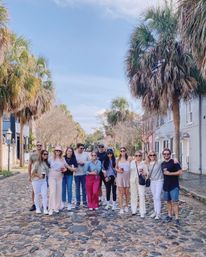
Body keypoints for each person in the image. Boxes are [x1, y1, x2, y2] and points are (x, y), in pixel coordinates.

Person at [161, 148, 182, 226]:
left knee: (175, 202)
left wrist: (170, 173)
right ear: (163, 155)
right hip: (166, 186)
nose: (166, 155)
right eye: (165, 154)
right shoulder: (162, 163)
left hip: (174, 186)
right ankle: (169, 216)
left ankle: (177, 218)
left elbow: (180, 172)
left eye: (168, 154)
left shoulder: (174, 162)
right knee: (168, 202)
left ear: (170, 154)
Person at [48, 146, 68, 215]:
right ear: (54, 151)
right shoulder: (50, 158)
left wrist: (65, 169)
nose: (58, 152)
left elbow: (66, 167)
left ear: (61, 152)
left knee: (58, 192)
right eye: (56, 150)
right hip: (52, 176)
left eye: (59, 151)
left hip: (60, 176)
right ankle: (50, 208)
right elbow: (46, 165)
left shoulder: (62, 159)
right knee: (52, 192)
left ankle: (56, 207)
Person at [130, 151, 148, 218]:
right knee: (133, 195)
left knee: (141, 195)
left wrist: (144, 173)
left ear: (141, 156)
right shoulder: (132, 163)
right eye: (136, 155)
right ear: (134, 156)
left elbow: (147, 173)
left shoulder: (143, 163)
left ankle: (142, 211)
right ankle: (134, 210)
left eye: (139, 155)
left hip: (141, 180)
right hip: (132, 181)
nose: (138, 157)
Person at [31, 150, 50, 214]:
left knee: (44, 195)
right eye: (44, 154)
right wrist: (39, 175)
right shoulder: (37, 163)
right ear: (41, 155)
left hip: (44, 181)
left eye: (47, 154)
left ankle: (45, 209)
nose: (46, 155)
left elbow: (48, 172)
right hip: (36, 181)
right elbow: (32, 173)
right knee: (37, 194)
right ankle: (38, 208)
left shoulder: (46, 163)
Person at [146, 151, 163, 220]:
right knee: (154, 197)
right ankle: (155, 212)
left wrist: (175, 159)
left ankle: (158, 214)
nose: (152, 156)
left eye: (153, 155)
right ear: (149, 156)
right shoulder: (148, 163)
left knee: (157, 196)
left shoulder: (159, 162)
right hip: (152, 181)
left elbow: (167, 159)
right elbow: (147, 173)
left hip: (159, 181)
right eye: (150, 155)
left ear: (155, 156)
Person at [62, 147, 78, 211]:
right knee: (63, 189)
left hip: (69, 176)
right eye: (68, 151)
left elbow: (76, 169)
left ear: (72, 152)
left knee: (69, 189)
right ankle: (63, 202)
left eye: (71, 151)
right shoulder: (63, 158)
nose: (69, 152)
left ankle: (69, 203)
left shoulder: (73, 159)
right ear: (66, 151)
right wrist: (65, 168)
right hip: (62, 175)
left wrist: (70, 168)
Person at [28, 141, 43, 211]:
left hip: (43, 175)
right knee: (34, 190)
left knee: (43, 190)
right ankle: (33, 204)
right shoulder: (32, 155)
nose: (39, 147)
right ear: (36, 146)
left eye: (40, 145)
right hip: (34, 175)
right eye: (38, 145)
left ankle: (43, 204)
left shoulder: (44, 154)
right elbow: (29, 165)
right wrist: (29, 176)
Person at [116, 147, 130, 214]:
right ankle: (121, 208)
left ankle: (126, 206)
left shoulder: (129, 159)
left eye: (123, 151)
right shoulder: (118, 159)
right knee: (121, 193)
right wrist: (118, 170)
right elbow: (115, 168)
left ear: (126, 151)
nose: (122, 152)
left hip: (127, 177)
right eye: (121, 151)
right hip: (120, 176)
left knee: (127, 193)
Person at [74, 143, 89, 208]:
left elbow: (89, 162)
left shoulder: (86, 154)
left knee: (84, 188)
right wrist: (78, 163)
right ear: (77, 148)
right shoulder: (74, 154)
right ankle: (78, 202)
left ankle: (84, 201)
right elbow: (72, 161)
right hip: (76, 174)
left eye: (83, 148)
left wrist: (84, 163)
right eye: (81, 148)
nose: (82, 149)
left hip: (84, 174)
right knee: (77, 188)